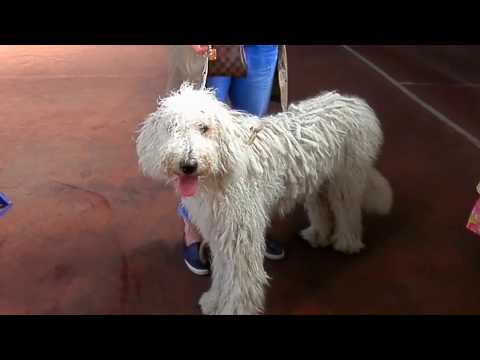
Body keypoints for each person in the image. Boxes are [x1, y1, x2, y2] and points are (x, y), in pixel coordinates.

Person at [165, 45, 288, 275]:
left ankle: (249, 225)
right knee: (194, 135)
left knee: (250, 137)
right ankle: (193, 228)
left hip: (260, 48)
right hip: (208, 48)